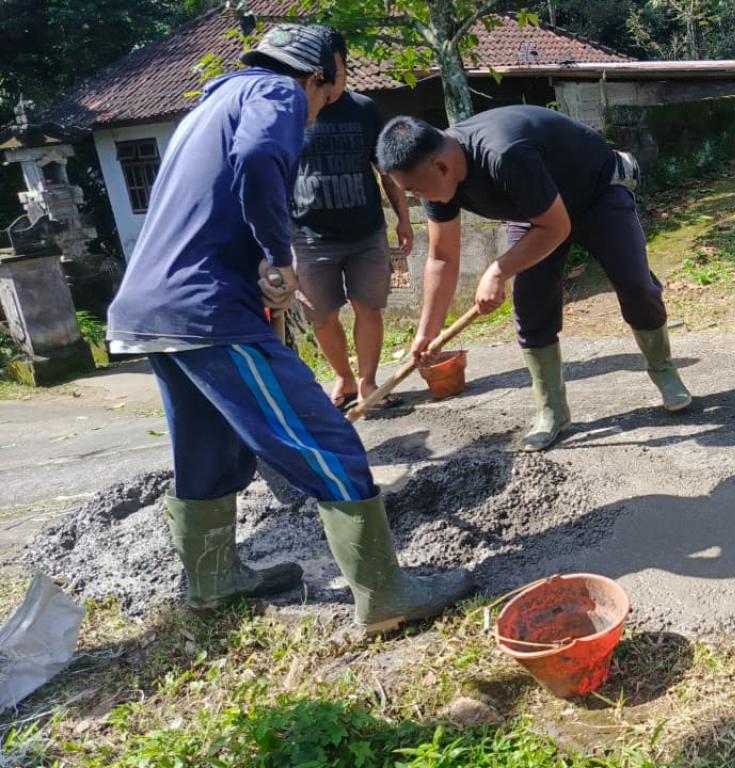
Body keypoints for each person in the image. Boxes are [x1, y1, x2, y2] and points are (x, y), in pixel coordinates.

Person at [104, 25, 473, 634]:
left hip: (150, 310)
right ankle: (386, 597)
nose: (320, 108)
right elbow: (256, 158)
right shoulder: (276, 93)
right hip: (208, 311)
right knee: (330, 443)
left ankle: (212, 584)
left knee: (208, 450)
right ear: (319, 75)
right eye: (329, 90)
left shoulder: (212, 104)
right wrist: (279, 258)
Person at [374, 108, 692, 452]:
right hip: (534, 213)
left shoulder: (505, 154)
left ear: (441, 166)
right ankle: (552, 409)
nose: (418, 198)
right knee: (531, 307)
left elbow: (557, 227)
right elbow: (441, 258)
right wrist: (427, 332)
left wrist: (497, 270)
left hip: (597, 193)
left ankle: (663, 370)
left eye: (416, 190)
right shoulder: (435, 179)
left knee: (636, 285)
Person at [292, 31, 413, 412]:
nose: (331, 81)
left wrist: (404, 219)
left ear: (345, 67)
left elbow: (386, 171)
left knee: (368, 307)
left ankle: (368, 382)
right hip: (309, 237)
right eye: (323, 74)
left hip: (365, 231)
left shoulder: (364, 109)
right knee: (321, 315)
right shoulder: (292, 113)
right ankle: (344, 379)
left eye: (338, 71)